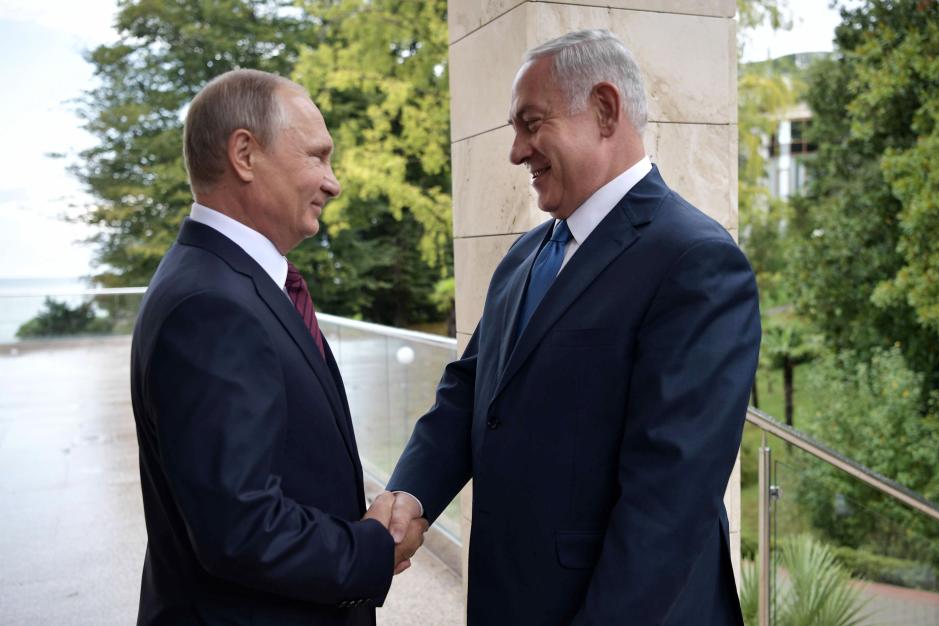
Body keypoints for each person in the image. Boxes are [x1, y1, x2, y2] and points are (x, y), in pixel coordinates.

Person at [386, 30, 760, 625]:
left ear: (605, 110)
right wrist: (410, 494)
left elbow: (667, 503)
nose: (516, 151)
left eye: (531, 124)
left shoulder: (696, 262)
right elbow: (472, 390)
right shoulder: (528, 252)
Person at [129, 69, 427, 626]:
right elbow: (239, 529)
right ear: (244, 153)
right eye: (317, 156)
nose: (333, 182)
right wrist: (370, 549)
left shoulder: (229, 281)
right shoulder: (209, 305)